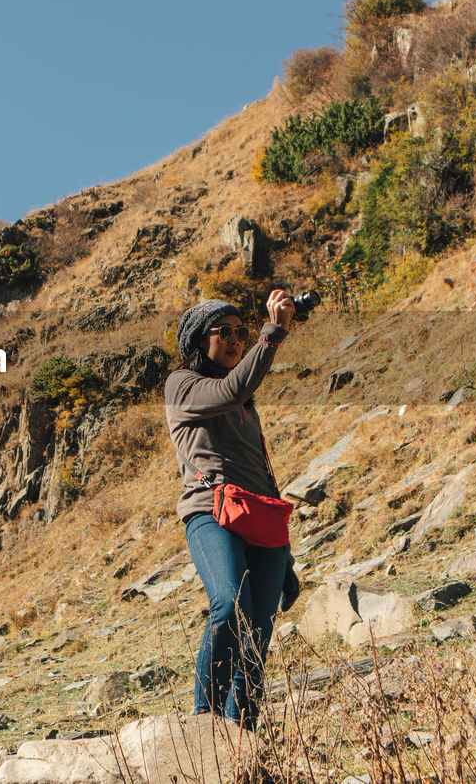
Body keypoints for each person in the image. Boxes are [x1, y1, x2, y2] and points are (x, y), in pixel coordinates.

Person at [163, 291, 299, 730]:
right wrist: (271, 335)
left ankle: (240, 729)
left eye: (242, 332)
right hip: (212, 512)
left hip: (261, 519)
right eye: (226, 332)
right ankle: (205, 720)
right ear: (200, 340)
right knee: (229, 603)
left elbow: (263, 474)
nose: (237, 339)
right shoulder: (182, 385)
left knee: (259, 629)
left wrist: (288, 559)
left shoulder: (245, 407)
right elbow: (232, 386)